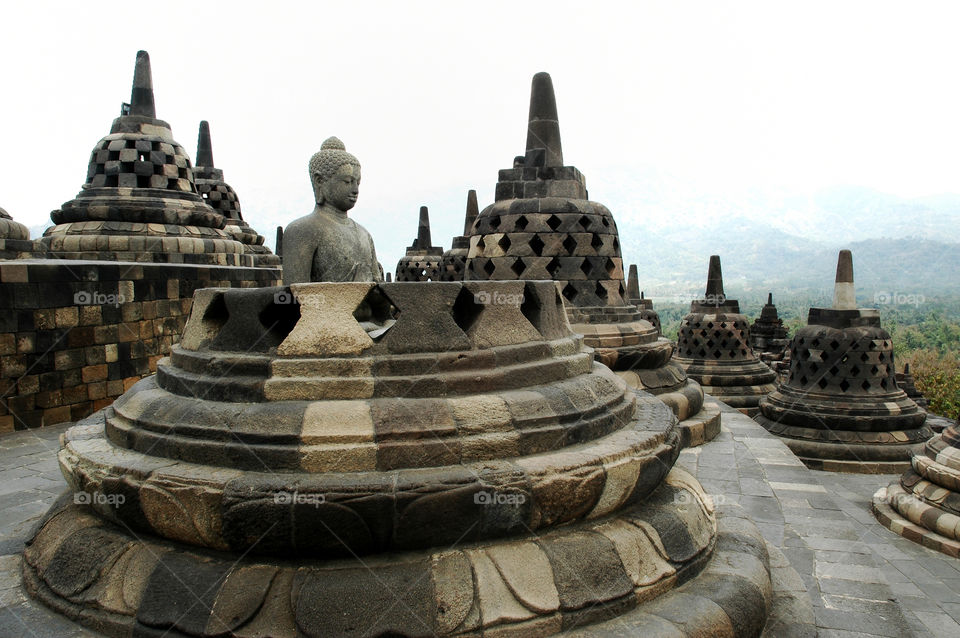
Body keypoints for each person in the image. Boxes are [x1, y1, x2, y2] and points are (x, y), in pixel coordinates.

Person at [282, 137, 382, 284]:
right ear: (320, 181)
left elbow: (377, 287)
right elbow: (294, 296)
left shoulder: (364, 234)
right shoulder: (302, 230)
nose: (355, 190)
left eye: (357, 183)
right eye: (347, 182)